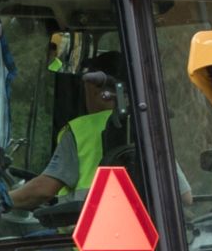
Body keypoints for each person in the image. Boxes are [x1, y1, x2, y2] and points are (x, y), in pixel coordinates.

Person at [7, 53, 126, 212]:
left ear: (95, 89)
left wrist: (2, 200)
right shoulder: (146, 127)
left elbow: (43, 190)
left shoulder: (81, 130)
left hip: (83, 230)